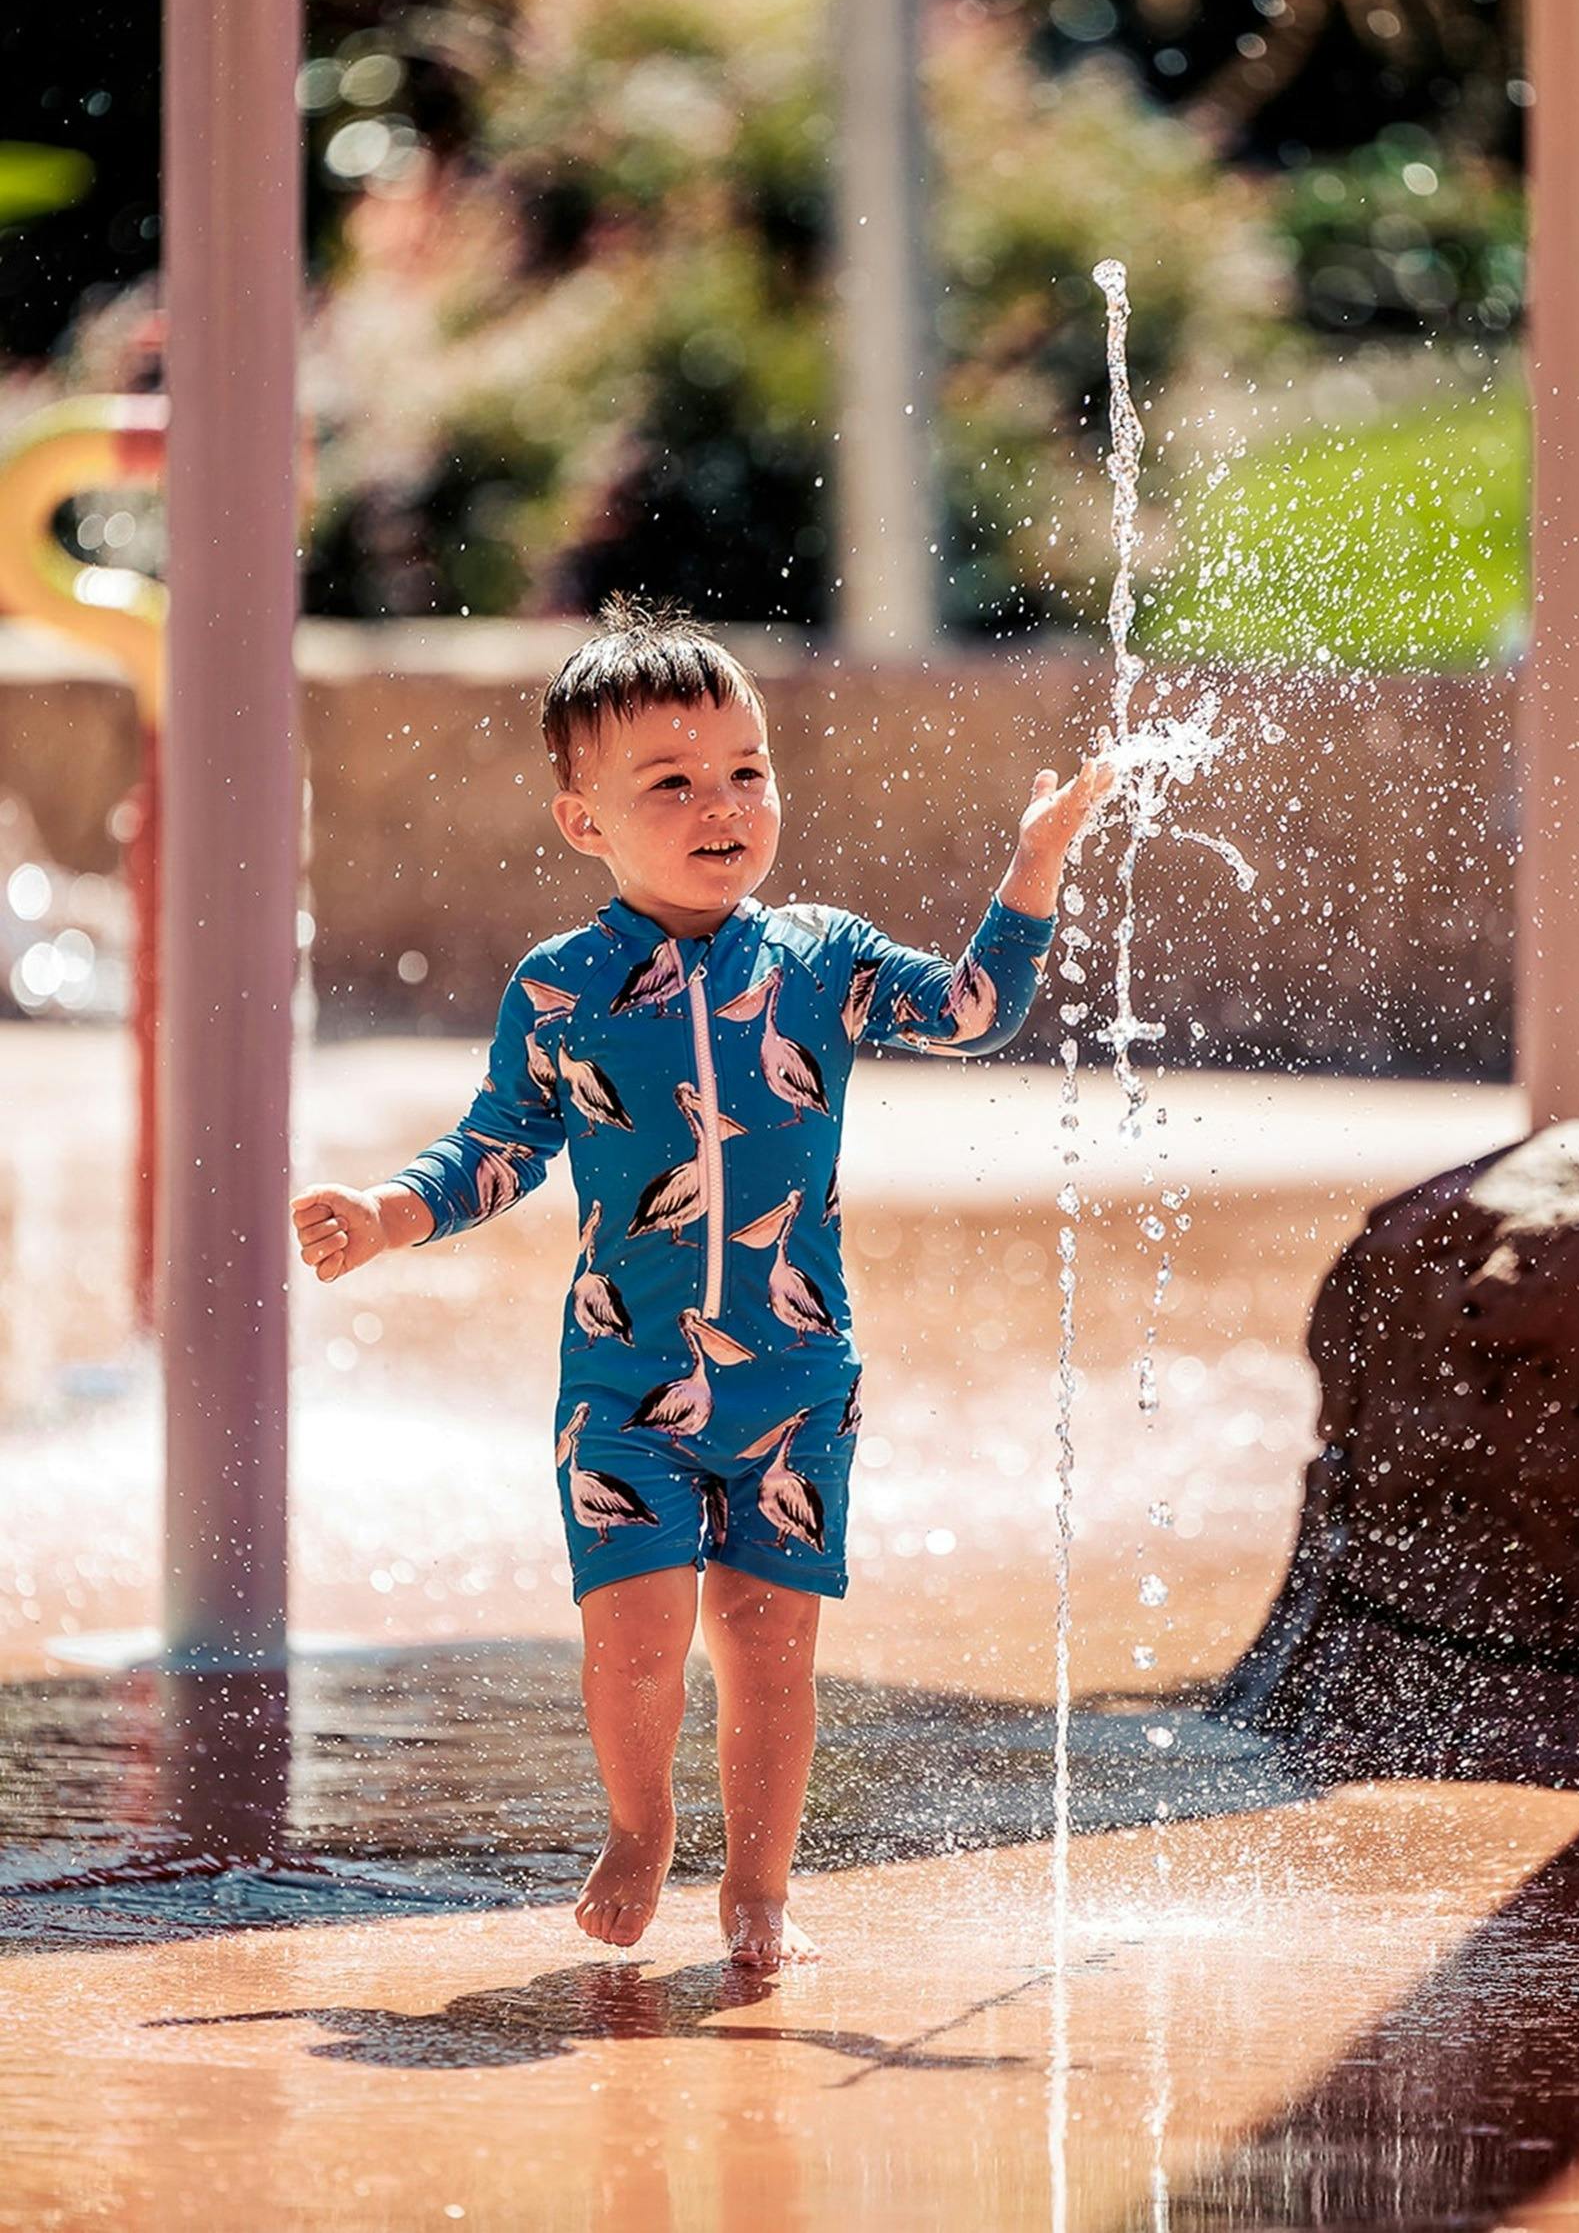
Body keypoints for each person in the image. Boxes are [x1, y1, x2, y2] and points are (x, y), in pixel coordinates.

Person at [291, 599, 1112, 1968]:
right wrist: (390, 1212)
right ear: (585, 822)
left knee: (770, 1644)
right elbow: (501, 1144)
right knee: (638, 1635)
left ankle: (762, 1883)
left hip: (795, 1375)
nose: (721, 804)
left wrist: (1032, 864)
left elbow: (975, 1010)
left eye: (746, 771)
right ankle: (639, 1823)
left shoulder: (821, 958)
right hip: (623, 1380)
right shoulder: (564, 989)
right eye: (671, 783)